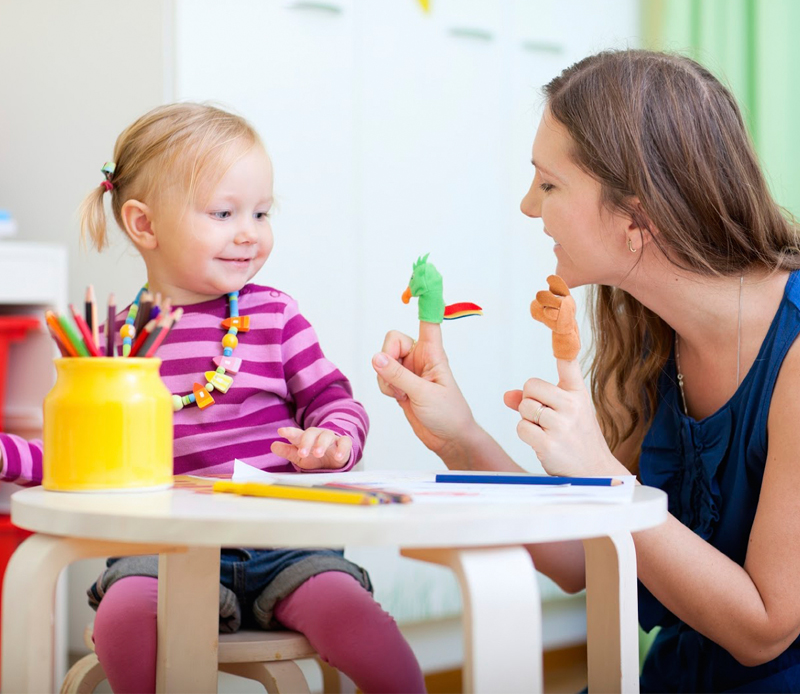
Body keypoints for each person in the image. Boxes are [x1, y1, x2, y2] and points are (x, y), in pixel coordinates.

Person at [373, 49, 800, 692]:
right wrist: (460, 435)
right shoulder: (651, 335)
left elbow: (765, 628)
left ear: (637, 214)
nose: (526, 205)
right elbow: (586, 561)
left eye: (548, 184)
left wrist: (599, 470)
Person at [0, 103, 424, 694]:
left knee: (360, 624)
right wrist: (8, 456)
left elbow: (335, 399)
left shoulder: (274, 315)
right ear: (144, 225)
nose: (249, 231)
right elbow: (80, 460)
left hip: (287, 542)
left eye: (261, 212)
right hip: (165, 550)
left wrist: (333, 441)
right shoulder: (115, 345)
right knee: (125, 618)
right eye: (224, 213)